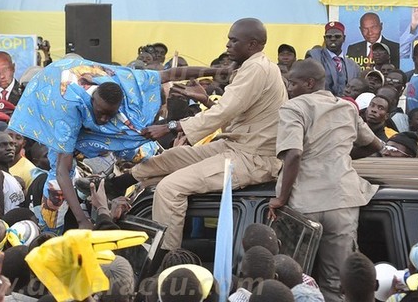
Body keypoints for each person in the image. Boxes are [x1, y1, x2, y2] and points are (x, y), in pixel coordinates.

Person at [107, 19, 286, 250]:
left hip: (254, 158)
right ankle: (119, 183)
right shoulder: (252, 67)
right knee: (169, 159)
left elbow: (225, 111)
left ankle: (165, 259)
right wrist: (205, 100)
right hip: (237, 148)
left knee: (169, 189)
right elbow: (233, 117)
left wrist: (171, 126)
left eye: (233, 40)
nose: (227, 45)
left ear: (252, 45)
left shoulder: (257, 68)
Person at [10, 56, 220, 232]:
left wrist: (217, 71)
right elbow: (63, 172)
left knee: (149, 153)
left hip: (106, 131)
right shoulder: (66, 109)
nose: (102, 119)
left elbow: (171, 74)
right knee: (56, 188)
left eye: (108, 115)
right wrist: (83, 220)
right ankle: (50, 235)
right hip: (58, 113)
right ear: (92, 101)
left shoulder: (127, 84)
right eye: (100, 113)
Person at [268, 59, 383, 302]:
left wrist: (280, 198)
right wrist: (341, 157)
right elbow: (374, 144)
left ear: (309, 83)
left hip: (304, 204)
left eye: (292, 83)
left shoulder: (294, 107)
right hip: (343, 200)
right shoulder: (347, 107)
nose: (289, 88)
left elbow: (294, 153)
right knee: (336, 281)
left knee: (294, 279)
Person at [306, 22, 361, 97]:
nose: (333, 39)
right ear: (324, 39)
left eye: (337, 36)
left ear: (344, 38)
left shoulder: (354, 67)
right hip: (321, 104)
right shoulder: (314, 56)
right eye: (329, 37)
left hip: (345, 106)